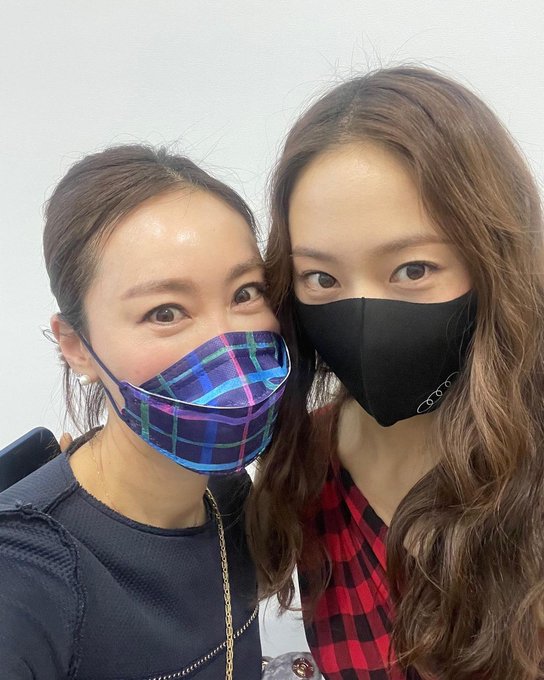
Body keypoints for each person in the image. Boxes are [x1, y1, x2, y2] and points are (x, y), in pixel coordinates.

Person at [247, 66, 544, 680]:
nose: (365, 320)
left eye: (412, 270)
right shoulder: (303, 464)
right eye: (322, 278)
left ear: (494, 262)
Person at [0, 144, 291, 679]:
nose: (225, 344)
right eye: (165, 312)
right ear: (77, 346)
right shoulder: (22, 568)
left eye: (245, 292)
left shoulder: (229, 495)